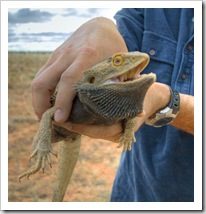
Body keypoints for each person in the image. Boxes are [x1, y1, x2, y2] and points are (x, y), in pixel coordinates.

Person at [31, 9, 194, 202]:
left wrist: (165, 100)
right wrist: (101, 25)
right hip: (133, 192)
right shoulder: (148, 8)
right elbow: (117, 50)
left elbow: (137, 109)